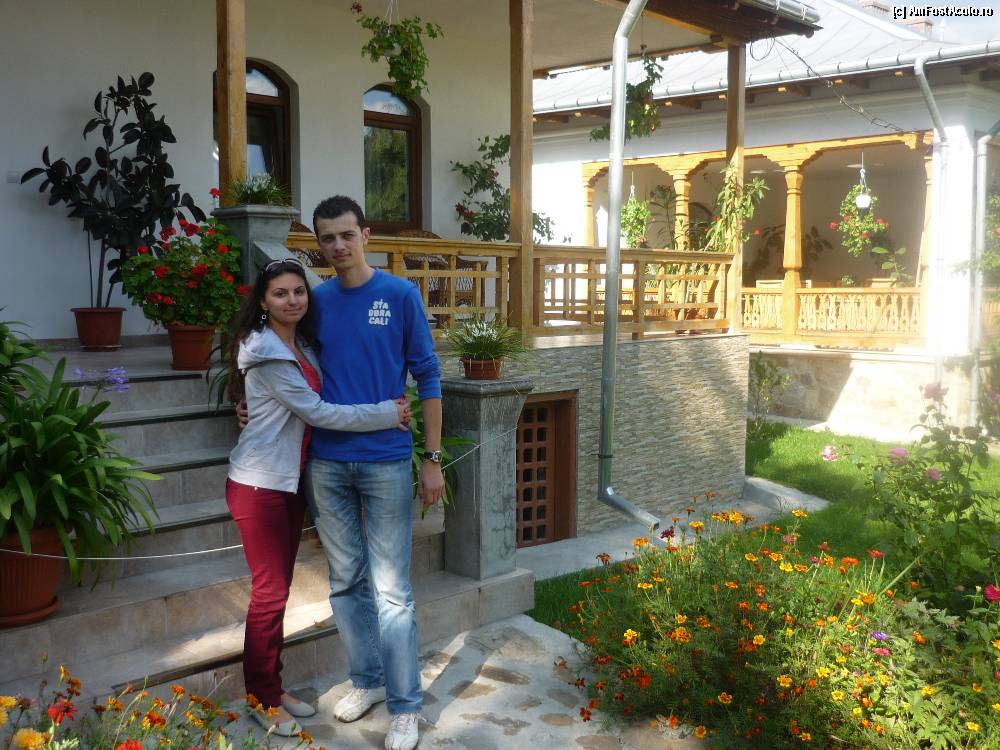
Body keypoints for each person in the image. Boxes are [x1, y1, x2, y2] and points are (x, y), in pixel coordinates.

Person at [226, 258, 412, 737]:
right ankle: (261, 698)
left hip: (286, 480)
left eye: (298, 291)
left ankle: (270, 687)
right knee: (269, 595)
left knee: (277, 591)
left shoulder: (298, 343)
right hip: (260, 485)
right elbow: (318, 411)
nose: (292, 300)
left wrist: (246, 407)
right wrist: (387, 413)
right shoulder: (267, 352)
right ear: (262, 302)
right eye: (280, 293)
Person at [306, 196, 444, 750]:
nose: (338, 245)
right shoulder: (315, 302)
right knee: (345, 583)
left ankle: (406, 707)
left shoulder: (400, 294)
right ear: (319, 244)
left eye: (347, 234)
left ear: (365, 235)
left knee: (392, 590)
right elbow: (289, 366)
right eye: (327, 238)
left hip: (386, 459)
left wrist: (432, 459)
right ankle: (368, 681)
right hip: (327, 461)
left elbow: (428, 375)